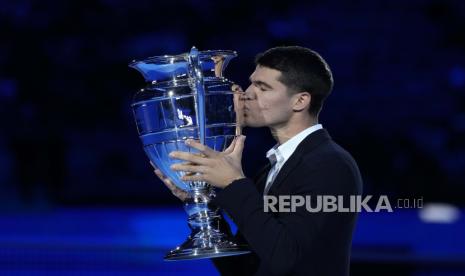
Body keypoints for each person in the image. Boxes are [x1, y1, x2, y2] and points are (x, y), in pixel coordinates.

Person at [154, 46, 363, 275]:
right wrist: (203, 201)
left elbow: (286, 257)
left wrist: (234, 183)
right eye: (252, 83)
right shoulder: (273, 167)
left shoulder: (330, 164)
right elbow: (243, 269)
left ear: (300, 101)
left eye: (263, 87)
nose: (247, 93)